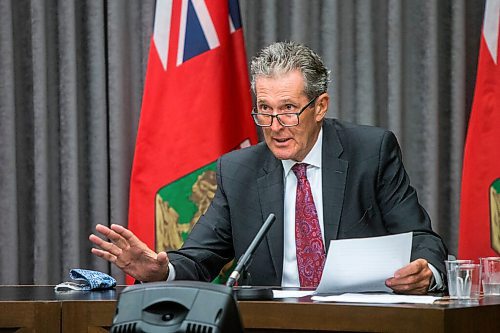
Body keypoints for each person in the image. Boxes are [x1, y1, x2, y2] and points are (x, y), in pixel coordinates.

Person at [90, 41, 447, 294]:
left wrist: (425, 272)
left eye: (289, 109)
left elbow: (423, 239)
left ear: (320, 106)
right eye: (264, 109)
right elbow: (200, 259)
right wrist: (161, 270)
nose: (275, 125)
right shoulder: (239, 170)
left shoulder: (371, 151)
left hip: (359, 321)